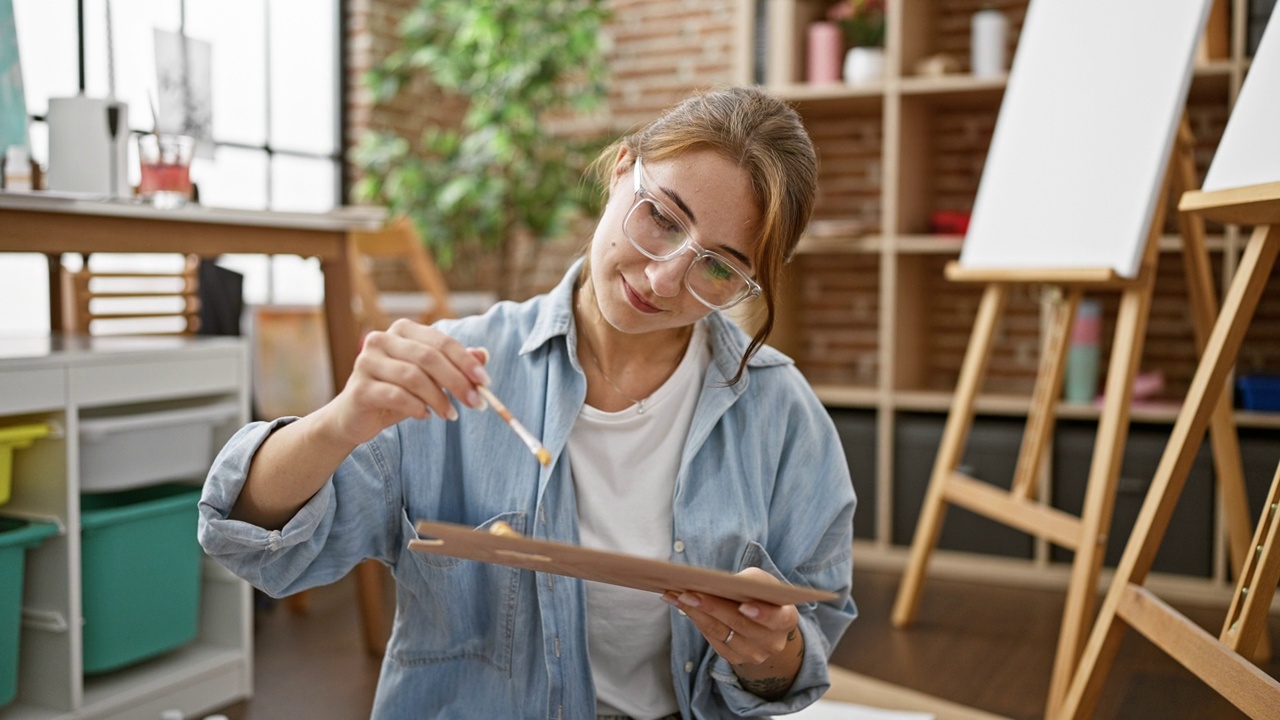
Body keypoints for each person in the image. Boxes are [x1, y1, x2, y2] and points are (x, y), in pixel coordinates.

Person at [199, 85, 856, 719]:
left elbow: (795, 665)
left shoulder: (779, 412)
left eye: (717, 267)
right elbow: (252, 546)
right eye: (660, 217)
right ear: (621, 169)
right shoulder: (461, 370)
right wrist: (339, 422)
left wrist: (773, 651)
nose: (662, 277)